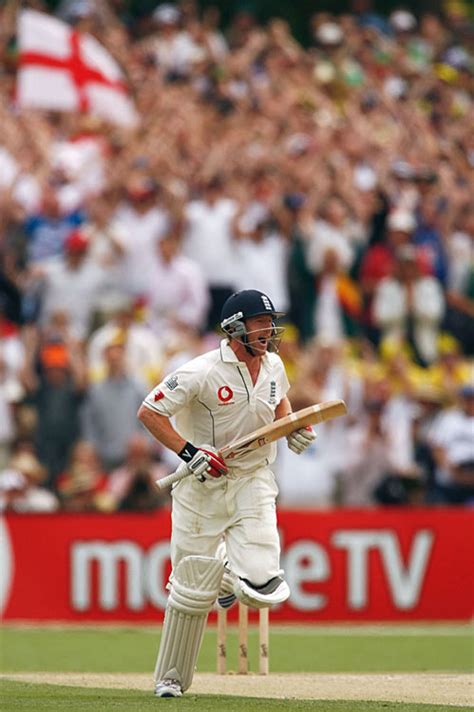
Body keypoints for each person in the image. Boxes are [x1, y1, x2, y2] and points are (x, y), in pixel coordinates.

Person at [137, 289, 316, 697]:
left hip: (253, 478)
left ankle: (237, 573)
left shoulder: (272, 364)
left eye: (270, 322)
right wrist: (189, 452)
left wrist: (291, 429)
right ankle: (171, 679)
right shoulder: (200, 371)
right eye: (259, 322)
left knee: (265, 583)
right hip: (202, 487)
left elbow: (278, 399)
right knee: (189, 589)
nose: (269, 330)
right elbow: (149, 411)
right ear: (236, 327)